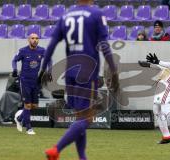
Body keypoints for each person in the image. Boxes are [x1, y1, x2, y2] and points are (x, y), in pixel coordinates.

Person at [39, 0, 119, 159]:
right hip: (87, 71)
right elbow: (104, 45)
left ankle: (82, 157)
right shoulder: (96, 14)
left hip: (70, 72)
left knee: (80, 117)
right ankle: (56, 149)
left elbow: (52, 45)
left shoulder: (65, 16)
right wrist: (114, 71)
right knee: (88, 119)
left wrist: (42, 69)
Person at [12, 33, 52, 135]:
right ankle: (29, 128)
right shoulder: (23, 51)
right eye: (32, 38)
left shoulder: (42, 50)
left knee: (34, 106)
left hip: (36, 81)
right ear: (28, 40)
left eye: (37, 38)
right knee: (28, 105)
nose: (35, 40)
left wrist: (49, 71)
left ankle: (20, 118)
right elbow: (14, 60)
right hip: (25, 81)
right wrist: (15, 70)